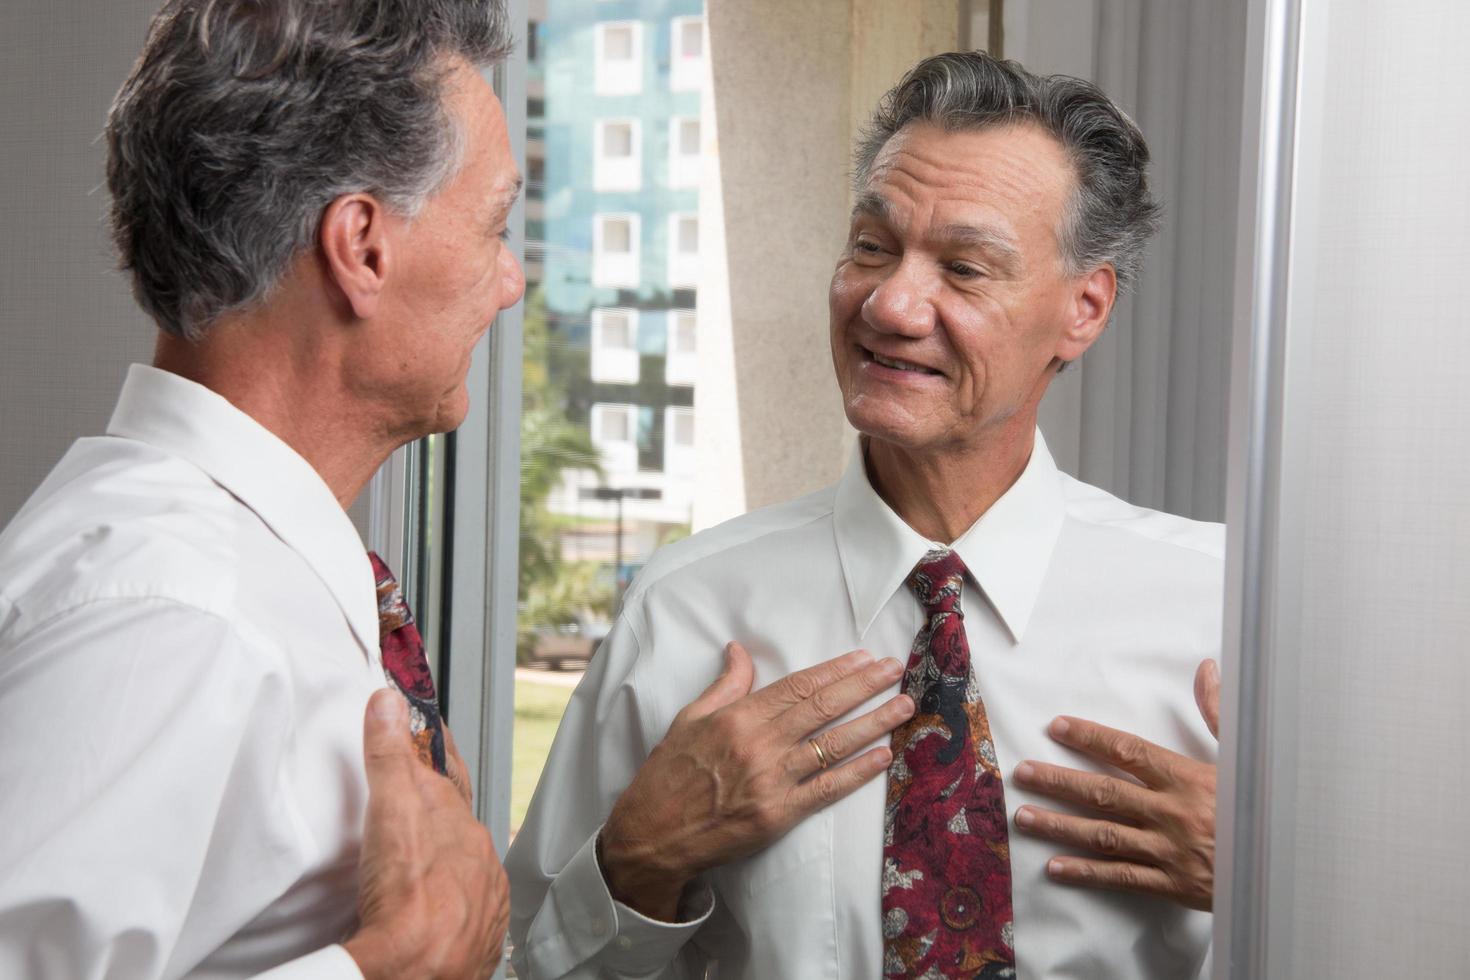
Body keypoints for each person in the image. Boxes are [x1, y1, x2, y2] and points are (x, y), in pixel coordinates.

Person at [506, 51, 1222, 979]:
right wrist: (637, 864)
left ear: (1083, 309)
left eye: (962, 267)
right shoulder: (688, 613)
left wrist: (1275, 878)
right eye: (872, 246)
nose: (888, 303)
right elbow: (532, 965)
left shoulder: (1220, 614)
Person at [0, 1, 524, 977]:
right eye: (494, 224)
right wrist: (394, 966)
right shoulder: (174, 608)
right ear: (362, 245)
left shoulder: (216, 580)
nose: (511, 279)